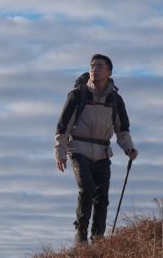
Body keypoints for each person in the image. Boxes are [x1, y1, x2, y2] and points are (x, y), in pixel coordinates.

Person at [55, 54, 138, 244]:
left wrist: (129, 149)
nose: (95, 69)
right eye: (92, 66)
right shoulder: (78, 95)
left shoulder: (115, 100)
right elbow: (62, 127)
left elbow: (122, 130)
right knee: (88, 189)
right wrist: (60, 153)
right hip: (78, 150)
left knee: (102, 197)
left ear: (109, 72)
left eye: (100, 66)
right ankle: (81, 237)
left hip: (102, 153)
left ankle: (98, 240)